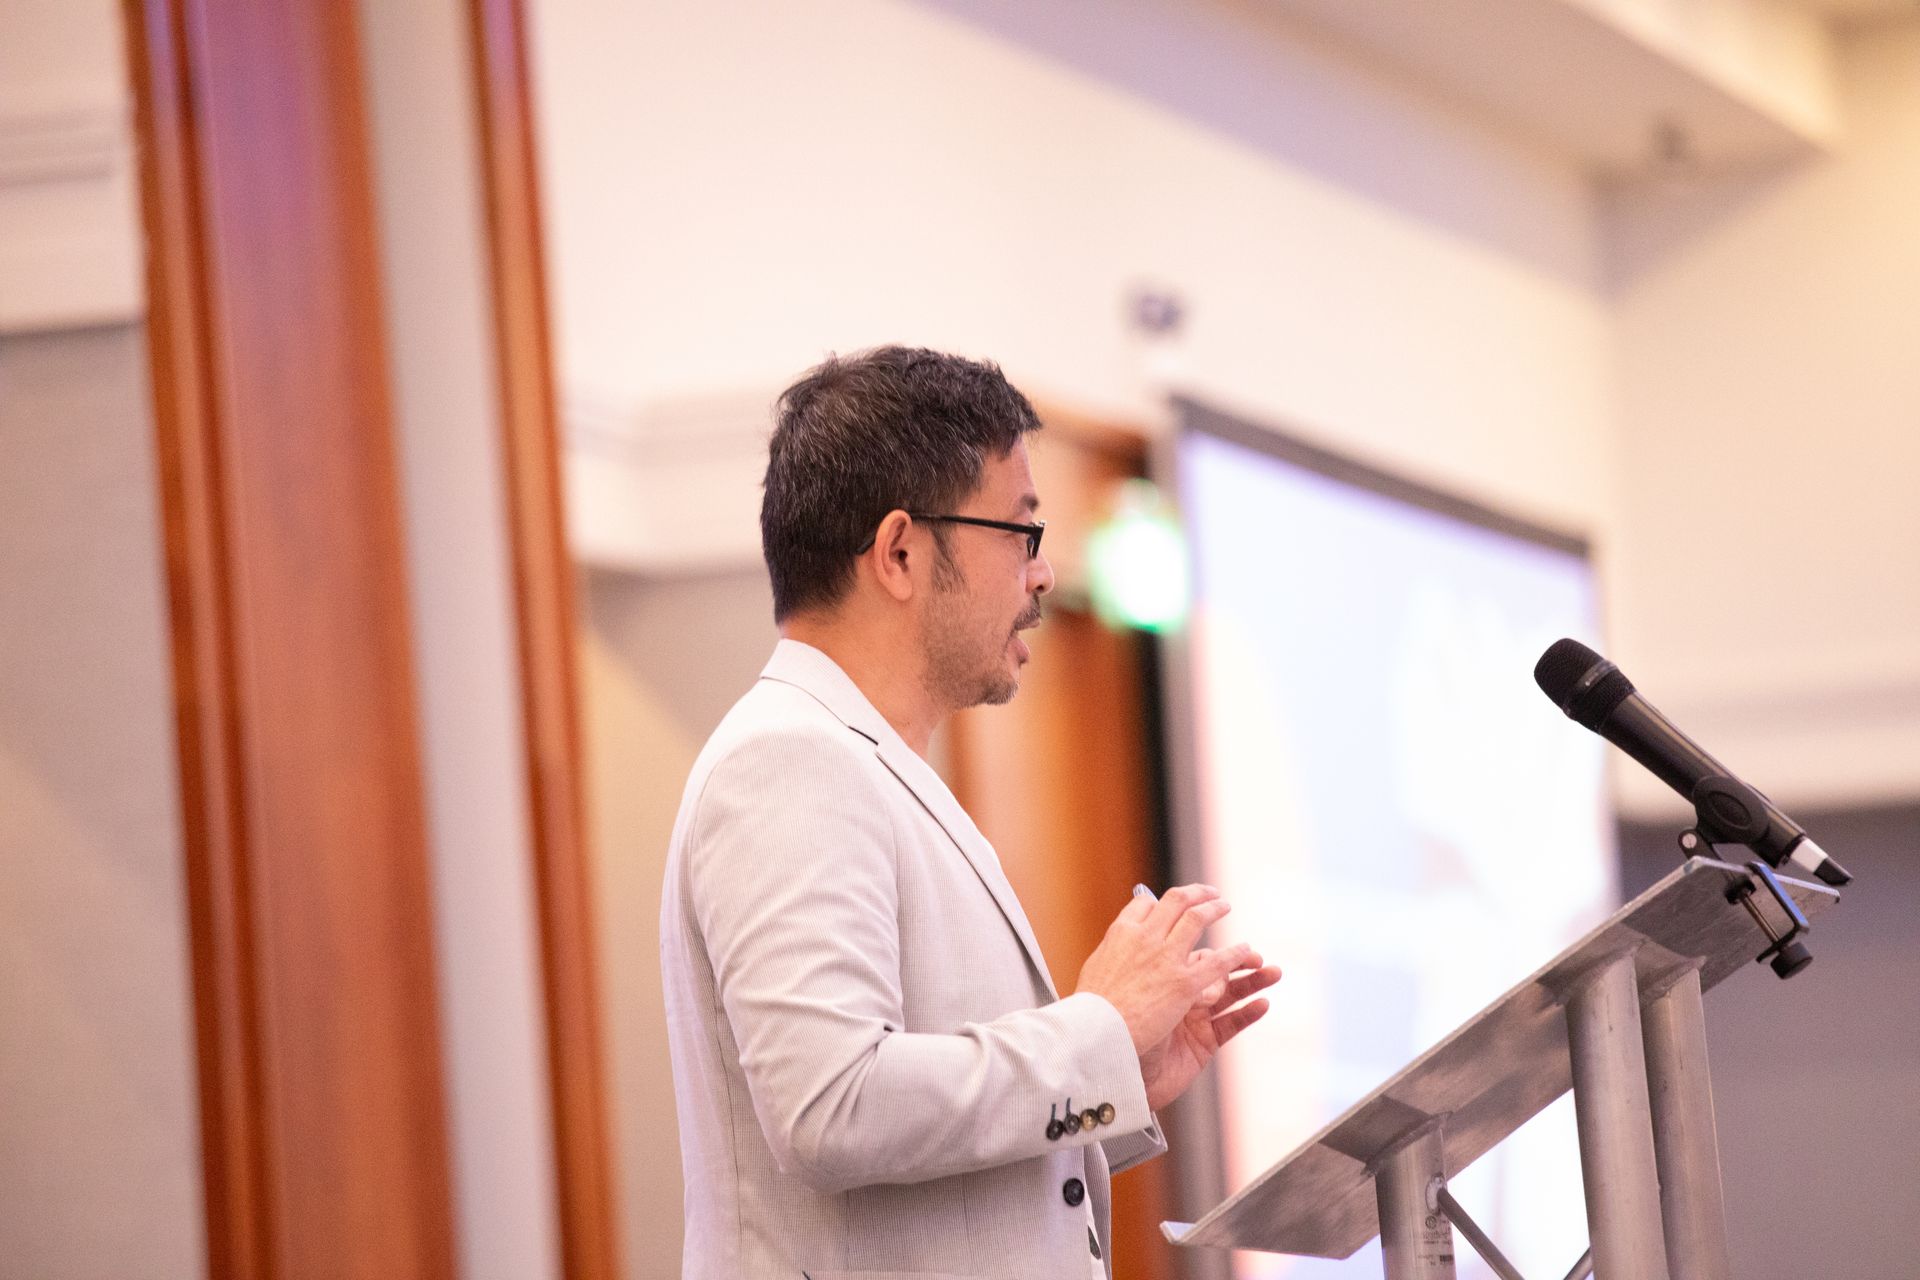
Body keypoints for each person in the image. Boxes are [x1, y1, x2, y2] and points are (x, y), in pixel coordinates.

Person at [660, 346, 1280, 1278]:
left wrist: (1117, 1076)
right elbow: (833, 1108)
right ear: (902, 552)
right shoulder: (791, 760)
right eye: (1019, 532)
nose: (1040, 575)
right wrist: (1095, 1032)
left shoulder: (866, 761)